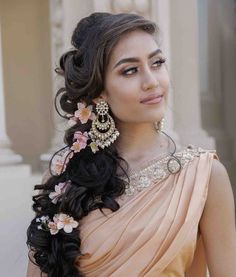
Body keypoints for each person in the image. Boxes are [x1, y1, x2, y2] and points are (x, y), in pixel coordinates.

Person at [26, 12, 236, 277]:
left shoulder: (204, 177)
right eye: (130, 70)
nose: (152, 82)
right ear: (99, 90)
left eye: (157, 63)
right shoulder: (64, 179)